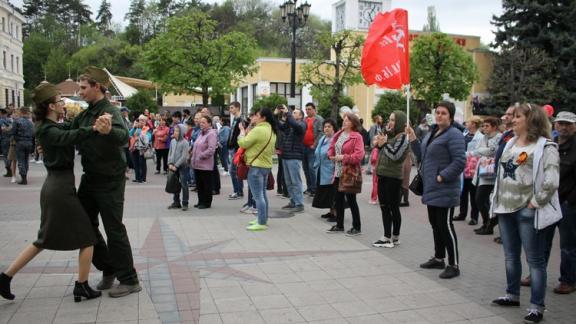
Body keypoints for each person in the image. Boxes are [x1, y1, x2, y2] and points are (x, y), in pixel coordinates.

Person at [1, 83, 107, 302]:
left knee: (43, 239)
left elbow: (70, 129)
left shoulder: (51, 125)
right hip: (59, 189)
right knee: (87, 237)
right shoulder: (48, 129)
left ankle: (5, 277)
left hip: (59, 187)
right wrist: (94, 128)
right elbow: (70, 136)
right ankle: (82, 285)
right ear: (51, 105)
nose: (63, 103)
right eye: (60, 101)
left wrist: (91, 115)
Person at [72, 66, 140, 297]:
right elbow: (68, 133)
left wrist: (109, 130)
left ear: (97, 87)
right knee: (82, 224)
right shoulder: (85, 113)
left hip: (109, 180)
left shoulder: (110, 111)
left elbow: (122, 137)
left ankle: (129, 280)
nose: (79, 92)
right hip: (90, 178)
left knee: (114, 229)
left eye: (83, 87)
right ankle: (108, 266)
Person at [490, 103, 560, 324]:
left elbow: (551, 181)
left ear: (532, 120)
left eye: (518, 117)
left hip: (527, 211)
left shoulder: (545, 146)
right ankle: (512, 295)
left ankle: (536, 306)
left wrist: (535, 203)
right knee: (511, 257)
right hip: (505, 208)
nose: (513, 120)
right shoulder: (510, 142)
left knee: (535, 261)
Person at [412, 101, 466, 279]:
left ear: (450, 116)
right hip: (431, 187)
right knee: (435, 224)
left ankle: (454, 264)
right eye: (438, 112)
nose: (439, 115)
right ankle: (438, 257)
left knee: (446, 226)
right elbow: (422, 154)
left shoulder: (454, 134)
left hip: (444, 187)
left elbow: (459, 161)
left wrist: (442, 176)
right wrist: (413, 139)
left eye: (443, 113)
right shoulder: (433, 132)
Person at [372, 111, 412, 247]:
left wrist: (383, 144)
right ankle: (393, 237)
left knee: (389, 207)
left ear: (400, 122)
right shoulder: (393, 135)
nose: (390, 122)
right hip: (384, 174)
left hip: (392, 177)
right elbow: (379, 146)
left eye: (393, 120)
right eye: (389, 119)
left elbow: (395, 156)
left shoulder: (403, 137)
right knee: (388, 207)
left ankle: (388, 237)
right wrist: (380, 141)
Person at [238, 108, 277, 231]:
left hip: (256, 166)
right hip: (266, 166)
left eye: (256, 115)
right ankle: (262, 219)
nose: (253, 117)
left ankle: (261, 222)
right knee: (262, 195)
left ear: (263, 118)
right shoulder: (271, 130)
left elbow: (243, 143)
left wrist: (242, 132)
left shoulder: (258, 130)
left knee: (258, 196)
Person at [326, 113, 365, 236]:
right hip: (338, 171)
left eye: (347, 120)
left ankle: (357, 227)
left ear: (353, 123)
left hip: (349, 173)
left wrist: (344, 157)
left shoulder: (357, 137)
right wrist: (331, 155)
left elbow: (359, 156)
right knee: (338, 200)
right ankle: (339, 225)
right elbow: (333, 146)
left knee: (351, 200)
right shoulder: (340, 134)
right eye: (344, 120)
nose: (344, 122)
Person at [550, 111, 576, 294]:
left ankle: (568, 279)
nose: (564, 127)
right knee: (541, 242)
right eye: (561, 123)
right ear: (555, 125)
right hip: (547, 201)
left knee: (568, 245)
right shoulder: (549, 145)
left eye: (569, 124)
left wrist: (569, 202)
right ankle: (536, 273)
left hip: (567, 203)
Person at [473, 117, 502, 235]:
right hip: (484, 172)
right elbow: (476, 150)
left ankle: (490, 222)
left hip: (494, 173)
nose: (484, 128)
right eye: (483, 126)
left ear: (494, 127)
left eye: (487, 126)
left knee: (481, 199)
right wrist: (485, 150)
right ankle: (488, 223)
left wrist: (483, 151)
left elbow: (493, 150)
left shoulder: (499, 137)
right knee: (481, 200)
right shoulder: (483, 137)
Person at [454, 116, 482, 223]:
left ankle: (474, 217)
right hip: (463, 167)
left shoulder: (480, 137)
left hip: (473, 169)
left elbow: (479, 152)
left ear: (474, 124)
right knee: (463, 192)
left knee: (473, 193)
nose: (466, 123)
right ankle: (462, 213)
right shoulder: (464, 134)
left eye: (469, 122)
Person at [278, 108, 307, 213]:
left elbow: (296, 127)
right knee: (288, 182)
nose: (292, 114)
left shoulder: (302, 124)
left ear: (301, 116)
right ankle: (293, 201)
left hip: (294, 157)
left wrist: (288, 113)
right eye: (292, 112)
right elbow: (281, 127)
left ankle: (299, 204)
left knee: (295, 181)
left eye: (295, 113)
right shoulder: (290, 124)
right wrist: (277, 115)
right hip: (286, 156)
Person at [312, 119, 338, 222]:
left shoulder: (335, 140)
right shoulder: (323, 138)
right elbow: (317, 152)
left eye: (329, 126)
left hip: (330, 170)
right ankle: (331, 212)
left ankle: (336, 214)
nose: (326, 128)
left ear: (334, 128)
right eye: (325, 126)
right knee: (326, 193)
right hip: (321, 170)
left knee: (332, 193)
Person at [190, 115, 217, 209]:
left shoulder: (211, 134)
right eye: (200, 122)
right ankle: (200, 201)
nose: (201, 124)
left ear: (209, 123)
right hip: (197, 164)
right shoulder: (200, 133)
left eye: (203, 122)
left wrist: (201, 155)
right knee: (199, 185)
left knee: (206, 185)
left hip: (205, 165)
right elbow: (196, 145)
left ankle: (207, 203)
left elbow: (211, 149)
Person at [302, 102, 324, 196]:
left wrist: (314, 144)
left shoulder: (318, 119)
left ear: (314, 109)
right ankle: (309, 188)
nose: (307, 111)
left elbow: (321, 133)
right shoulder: (304, 119)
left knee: (312, 168)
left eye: (309, 109)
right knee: (305, 168)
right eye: (306, 109)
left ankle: (314, 189)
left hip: (312, 148)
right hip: (303, 147)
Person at [167, 124, 190, 211]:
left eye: (177, 131)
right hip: (172, 166)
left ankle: (185, 202)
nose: (175, 132)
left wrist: (176, 165)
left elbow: (184, 156)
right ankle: (176, 202)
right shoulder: (173, 141)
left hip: (182, 166)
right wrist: (170, 163)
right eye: (175, 130)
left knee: (184, 184)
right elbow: (170, 153)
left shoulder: (185, 142)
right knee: (175, 184)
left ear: (182, 132)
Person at [227, 102, 247, 199]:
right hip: (232, 148)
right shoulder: (234, 119)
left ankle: (238, 191)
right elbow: (232, 134)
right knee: (234, 171)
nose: (230, 110)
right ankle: (238, 190)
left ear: (237, 108)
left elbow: (241, 134)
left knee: (233, 171)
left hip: (236, 149)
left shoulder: (241, 119)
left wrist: (236, 147)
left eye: (232, 108)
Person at [12, 107, 34, 185]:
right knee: (26, 160)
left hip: (20, 142)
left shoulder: (17, 121)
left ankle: (23, 178)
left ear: (21, 112)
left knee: (21, 160)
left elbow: (13, 133)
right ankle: (25, 176)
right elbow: (33, 134)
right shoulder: (31, 122)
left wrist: (17, 139)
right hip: (29, 142)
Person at [129, 115, 152, 183]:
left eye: (143, 120)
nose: (141, 122)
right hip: (135, 148)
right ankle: (137, 177)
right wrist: (134, 127)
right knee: (135, 163)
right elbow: (130, 134)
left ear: (145, 122)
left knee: (142, 163)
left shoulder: (146, 128)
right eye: (140, 120)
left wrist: (138, 137)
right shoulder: (136, 128)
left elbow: (149, 137)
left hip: (142, 148)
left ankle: (143, 178)